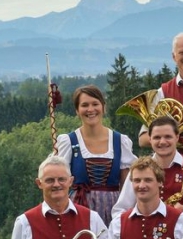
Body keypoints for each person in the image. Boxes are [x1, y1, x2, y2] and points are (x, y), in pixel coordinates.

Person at [55, 85, 134, 224]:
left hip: (113, 210)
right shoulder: (68, 141)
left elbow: (126, 186)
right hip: (79, 209)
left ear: (104, 107)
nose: (90, 109)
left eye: (95, 104)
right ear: (77, 110)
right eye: (84, 105)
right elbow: (59, 181)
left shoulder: (120, 141)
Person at [114, 115, 183, 220]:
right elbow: (120, 210)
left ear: (177, 137)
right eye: (157, 137)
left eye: (168, 137)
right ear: (150, 139)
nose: (162, 142)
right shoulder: (137, 170)